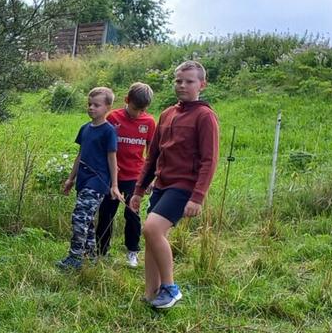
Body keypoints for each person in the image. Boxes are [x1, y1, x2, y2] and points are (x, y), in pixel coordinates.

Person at [129, 61, 219, 308]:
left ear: (202, 85)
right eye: (178, 81)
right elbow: (153, 156)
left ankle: (170, 288)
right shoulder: (167, 114)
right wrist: (139, 190)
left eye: (189, 81)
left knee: (152, 229)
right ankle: (151, 294)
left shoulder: (205, 116)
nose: (182, 85)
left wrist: (197, 197)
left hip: (184, 186)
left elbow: (210, 160)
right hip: (162, 184)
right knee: (152, 237)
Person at [58, 87, 122, 270]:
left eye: (96, 105)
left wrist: (114, 185)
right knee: (87, 220)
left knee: (79, 217)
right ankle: (90, 255)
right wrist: (71, 179)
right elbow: (80, 155)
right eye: (89, 104)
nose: (91, 108)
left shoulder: (108, 131)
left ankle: (75, 257)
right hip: (83, 180)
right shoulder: (85, 128)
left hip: (98, 182)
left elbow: (112, 158)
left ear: (108, 107)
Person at [96, 82, 156, 267]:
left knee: (132, 214)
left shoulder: (149, 122)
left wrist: (150, 178)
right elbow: (103, 145)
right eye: (135, 108)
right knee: (106, 213)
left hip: (135, 177)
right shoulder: (113, 117)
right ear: (126, 100)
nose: (138, 113)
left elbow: (152, 152)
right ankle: (101, 251)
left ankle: (132, 251)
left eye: (142, 110)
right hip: (112, 176)